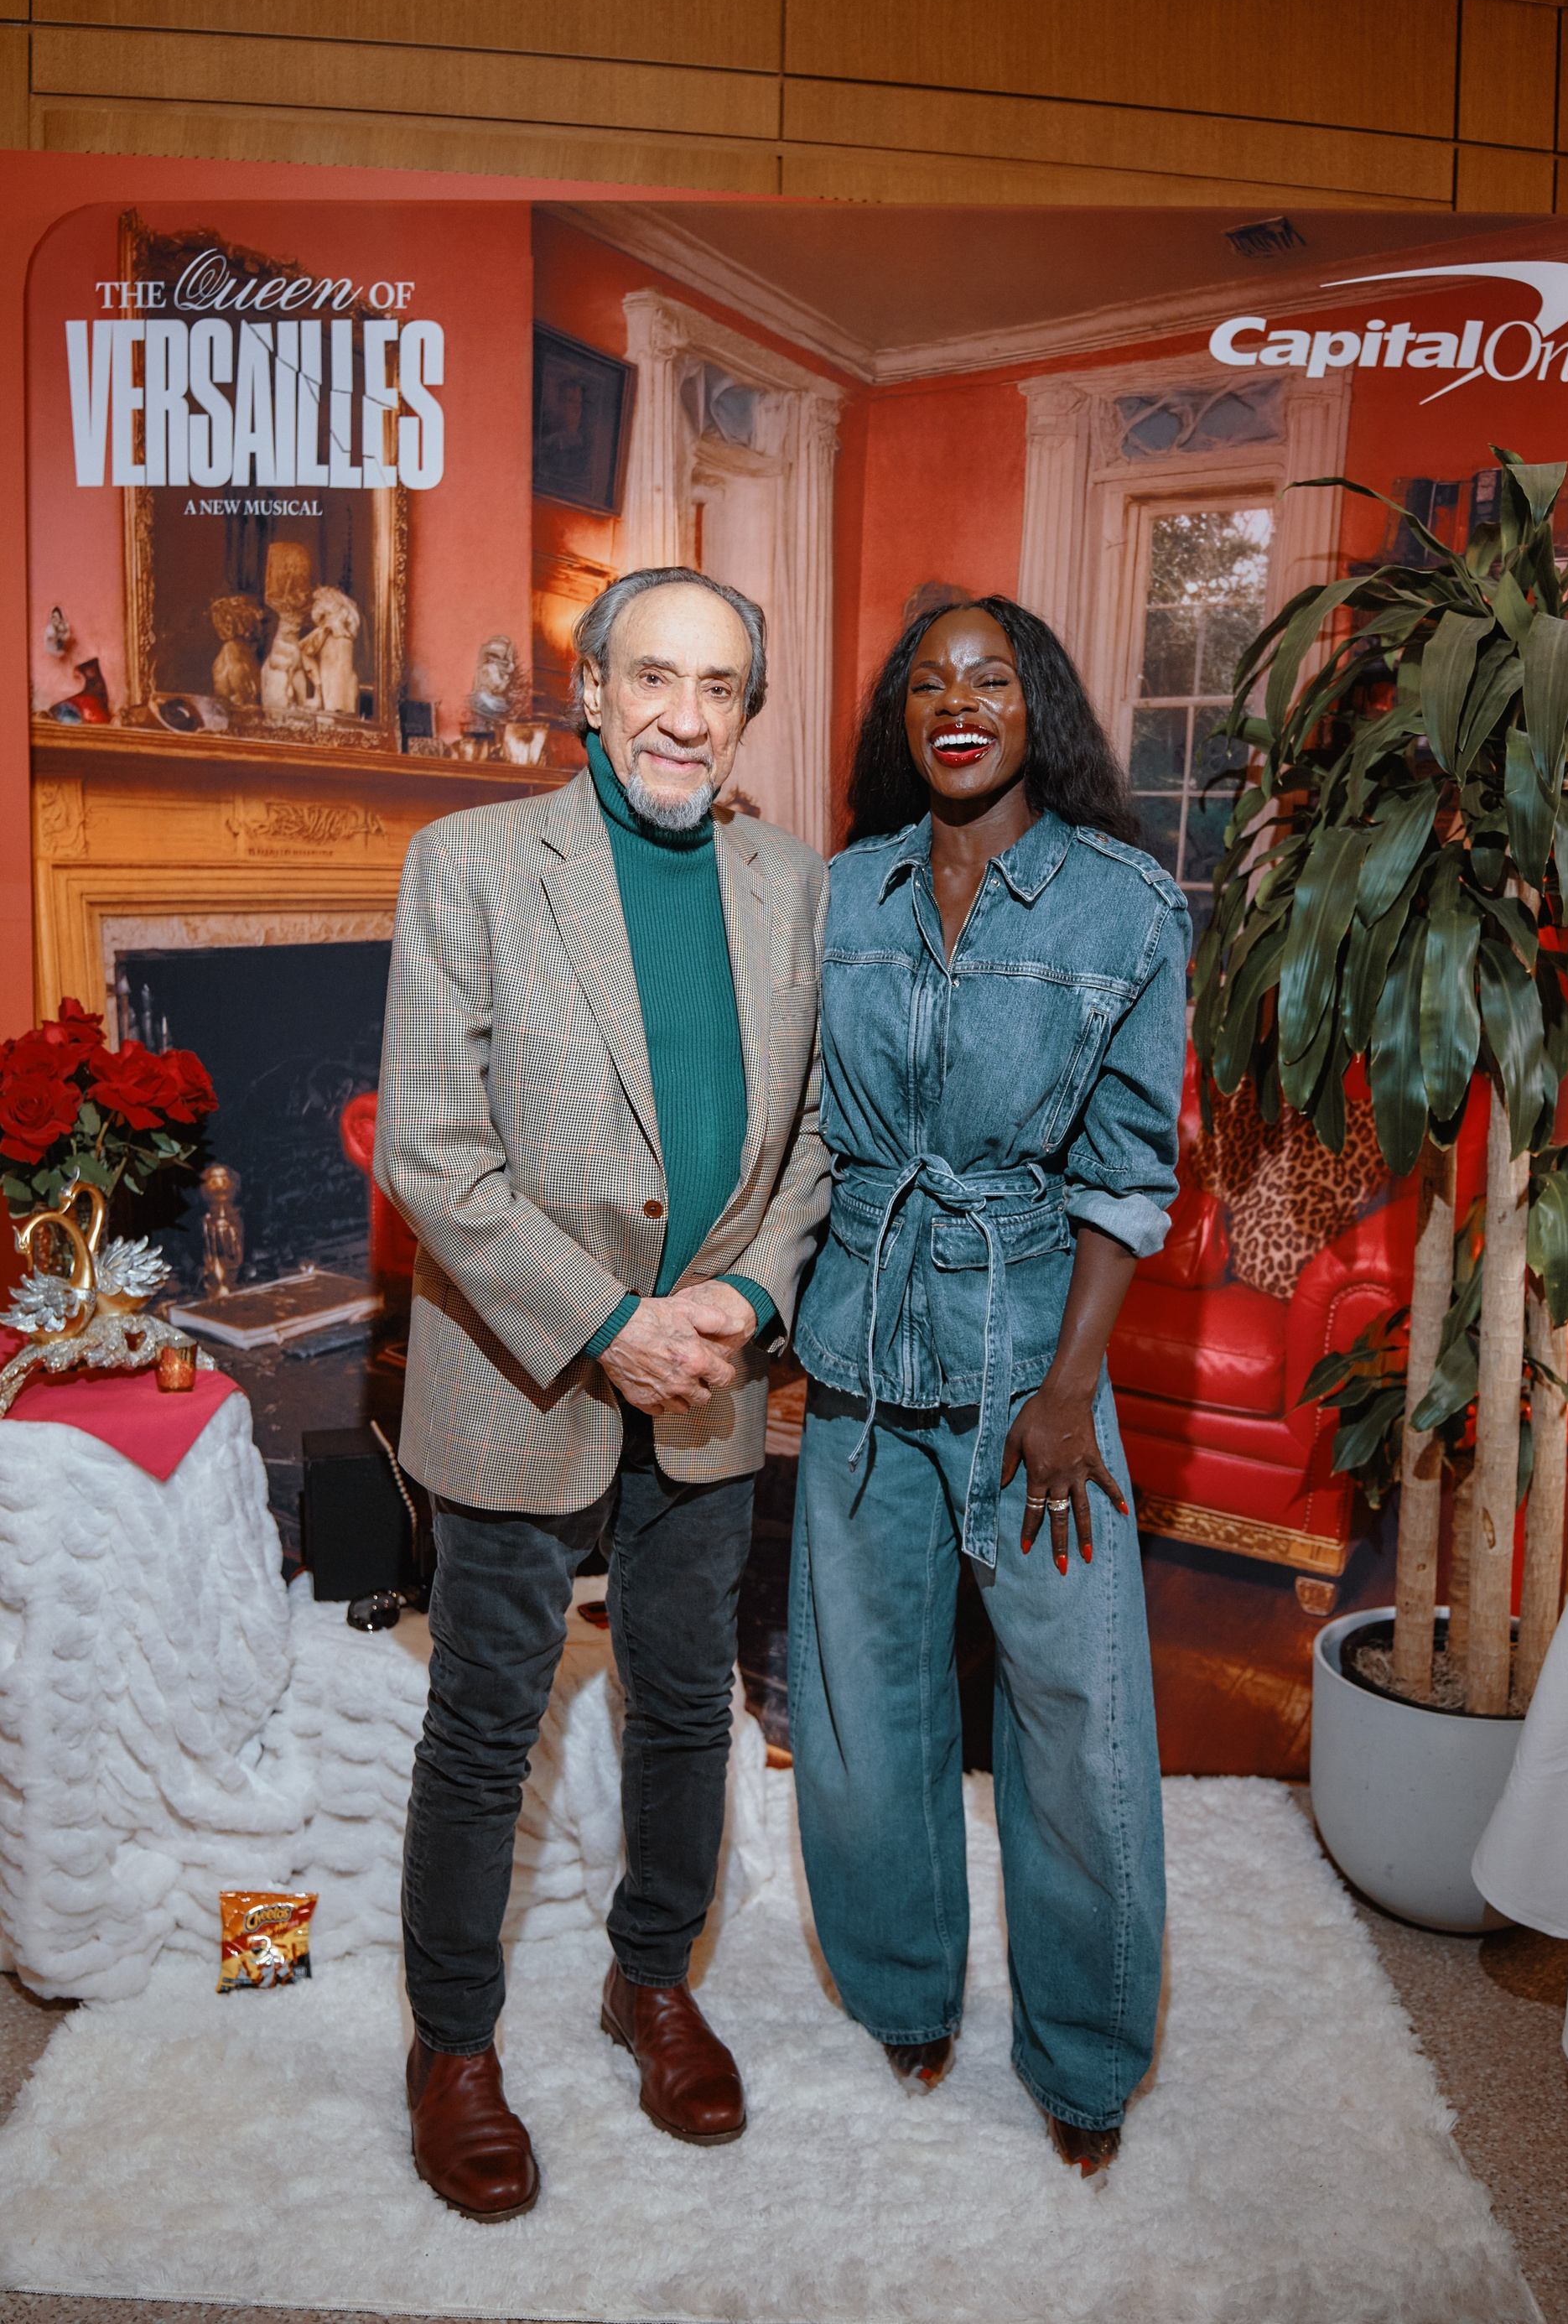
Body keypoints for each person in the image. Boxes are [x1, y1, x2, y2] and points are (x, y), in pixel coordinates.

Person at [375, 568, 828, 2221]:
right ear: (591, 691)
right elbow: (432, 1148)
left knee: (689, 1702)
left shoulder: (792, 883)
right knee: (486, 1719)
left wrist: (747, 1298)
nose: (683, 717)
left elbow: (816, 1135)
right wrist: (604, 1323)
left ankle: (652, 1984)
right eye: (653, 676)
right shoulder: (474, 863)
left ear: (747, 714)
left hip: (710, 1372)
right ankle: (451, 2045)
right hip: (520, 1369)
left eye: (718, 687)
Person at [788, 596, 1187, 2180]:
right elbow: (798, 1127)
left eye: (993, 680)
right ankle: (901, 1988)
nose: (959, 705)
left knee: (1076, 1715)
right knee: (864, 1704)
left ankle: (1084, 2053)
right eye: (930, 683)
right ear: (902, 717)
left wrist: (1069, 1390)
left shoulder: (1125, 904)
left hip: (1033, 1370)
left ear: (1040, 708)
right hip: (857, 1362)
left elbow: (1129, 1171)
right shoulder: (839, 894)